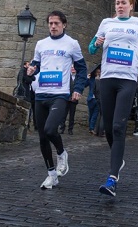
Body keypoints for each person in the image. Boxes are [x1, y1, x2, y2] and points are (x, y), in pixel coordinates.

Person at [89, 0, 138, 197]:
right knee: (108, 128)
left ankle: (112, 178)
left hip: (127, 80)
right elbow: (92, 48)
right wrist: (96, 44)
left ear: (131, 6)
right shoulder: (106, 23)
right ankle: (118, 158)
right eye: (117, 3)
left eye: (123, 3)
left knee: (119, 126)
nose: (119, 6)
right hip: (107, 79)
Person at [27, 10, 87, 190]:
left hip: (60, 94)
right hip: (41, 94)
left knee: (51, 130)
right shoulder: (41, 44)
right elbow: (36, 64)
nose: (53, 26)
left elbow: (82, 69)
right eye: (50, 23)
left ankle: (62, 153)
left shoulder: (72, 44)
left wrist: (77, 89)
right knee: (42, 137)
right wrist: (32, 69)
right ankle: (52, 175)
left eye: (56, 23)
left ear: (64, 25)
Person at [59, 65, 78, 135]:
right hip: (66, 98)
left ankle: (70, 129)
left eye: (74, 68)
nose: (73, 69)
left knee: (72, 115)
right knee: (63, 114)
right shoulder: (66, 76)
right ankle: (62, 128)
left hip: (74, 99)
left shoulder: (78, 78)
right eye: (72, 67)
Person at [85, 66, 101, 135]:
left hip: (98, 99)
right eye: (97, 72)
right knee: (91, 114)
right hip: (91, 99)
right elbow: (84, 85)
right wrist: (87, 78)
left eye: (99, 72)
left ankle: (91, 128)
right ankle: (90, 128)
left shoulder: (101, 80)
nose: (98, 73)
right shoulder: (91, 79)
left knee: (95, 114)